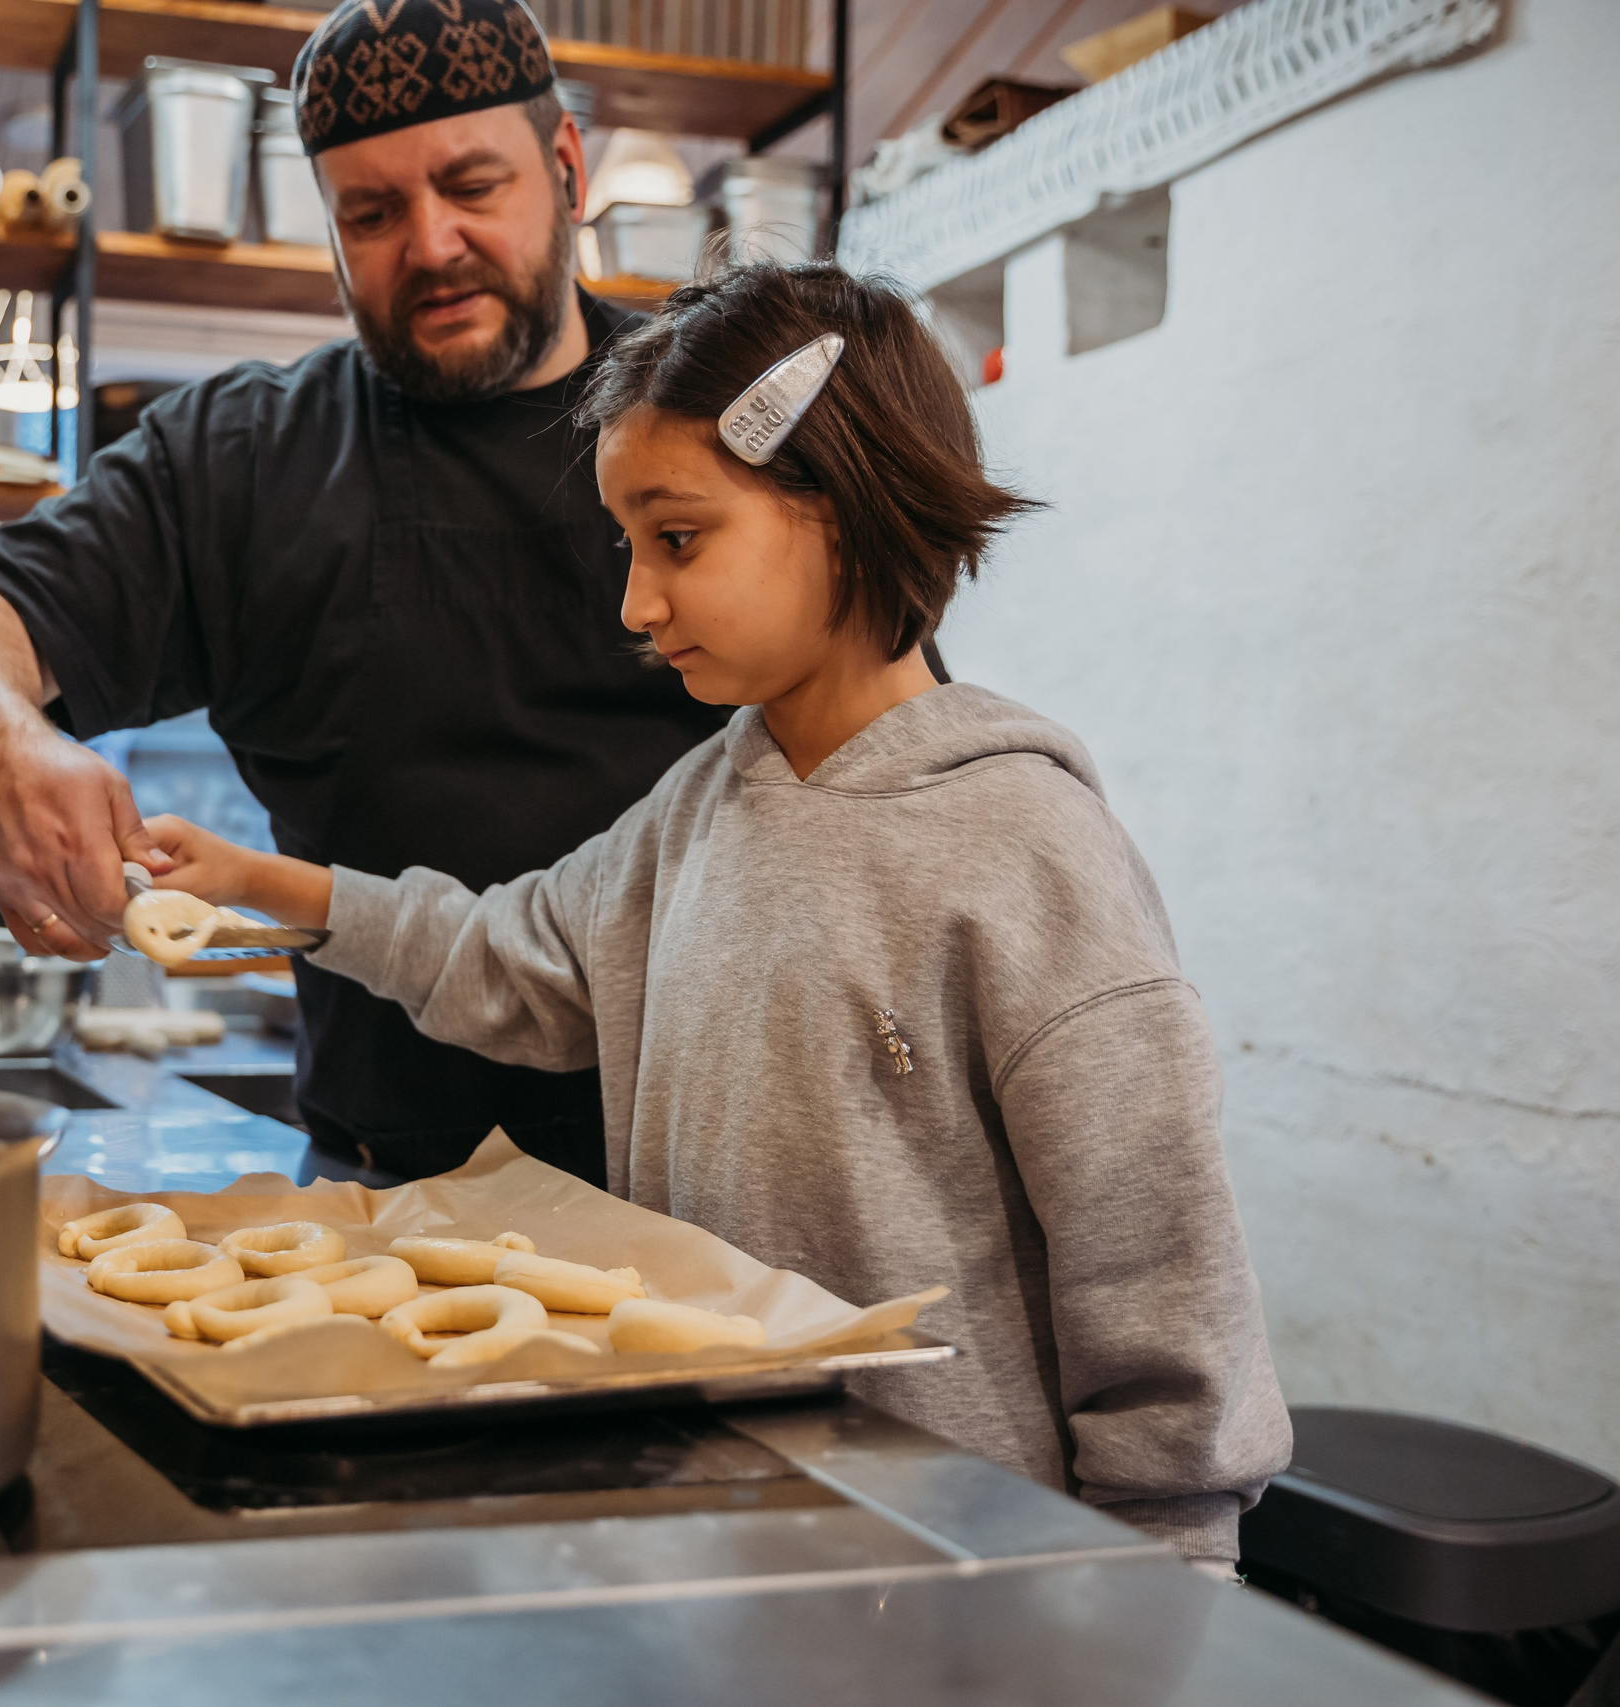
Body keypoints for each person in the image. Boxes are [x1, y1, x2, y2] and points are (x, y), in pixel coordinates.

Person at [132, 262, 1294, 1565]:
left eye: (677, 538)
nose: (635, 603)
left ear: (843, 511)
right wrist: (263, 883)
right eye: (627, 545)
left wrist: (1167, 1580)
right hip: (714, 1536)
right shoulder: (695, 811)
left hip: (958, 1575)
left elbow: (1156, 1277)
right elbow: (512, 956)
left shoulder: (1023, 852)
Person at [0, 0, 733, 1184]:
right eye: (372, 213)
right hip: (383, 1198)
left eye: (472, 186)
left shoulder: (709, 421)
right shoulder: (244, 461)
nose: (431, 244)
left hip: (721, 1180)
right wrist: (6, 759)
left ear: (565, 169)